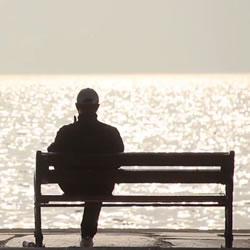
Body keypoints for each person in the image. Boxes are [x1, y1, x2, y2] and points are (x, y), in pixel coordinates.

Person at [48, 88, 124, 247]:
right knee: (97, 184)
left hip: (71, 186)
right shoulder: (111, 132)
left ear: (77, 106)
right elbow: (120, 157)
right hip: (101, 186)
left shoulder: (66, 132)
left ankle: (87, 236)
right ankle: (87, 235)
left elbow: (51, 153)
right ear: (97, 107)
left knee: (91, 182)